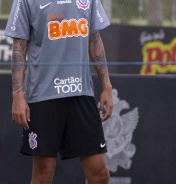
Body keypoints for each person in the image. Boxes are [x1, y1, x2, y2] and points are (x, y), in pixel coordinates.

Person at [5, 0, 113, 183]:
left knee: (100, 173)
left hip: (81, 93)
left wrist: (107, 86)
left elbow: (94, 38)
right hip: (43, 96)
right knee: (43, 173)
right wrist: (17, 94)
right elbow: (19, 47)